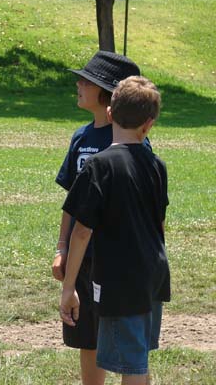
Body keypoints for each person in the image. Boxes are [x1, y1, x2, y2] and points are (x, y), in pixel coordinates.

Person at [60, 75, 170, 385]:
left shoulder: (99, 165)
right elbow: (159, 224)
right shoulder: (157, 165)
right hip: (153, 275)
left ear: (109, 113)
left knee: (132, 365)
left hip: (119, 281)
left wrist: (69, 287)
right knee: (137, 355)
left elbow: (82, 232)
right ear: (148, 125)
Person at [52, 51, 142, 385]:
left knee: (124, 338)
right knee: (87, 336)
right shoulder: (81, 137)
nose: (78, 84)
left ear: (107, 92)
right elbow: (71, 202)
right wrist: (61, 247)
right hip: (83, 257)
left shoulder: (131, 141)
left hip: (117, 259)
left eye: (86, 81)